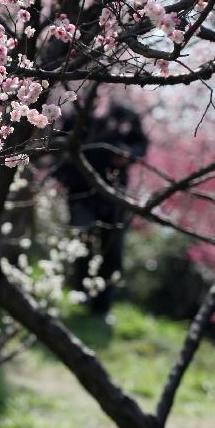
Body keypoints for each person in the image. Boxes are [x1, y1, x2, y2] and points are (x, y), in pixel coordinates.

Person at [53, 102, 148, 317]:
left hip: (113, 193)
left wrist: (127, 154)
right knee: (82, 243)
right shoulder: (76, 109)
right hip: (79, 190)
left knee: (111, 249)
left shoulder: (125, 114)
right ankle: (81, 293)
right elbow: (60, 142)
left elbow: (140, 145)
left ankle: (102, 305)